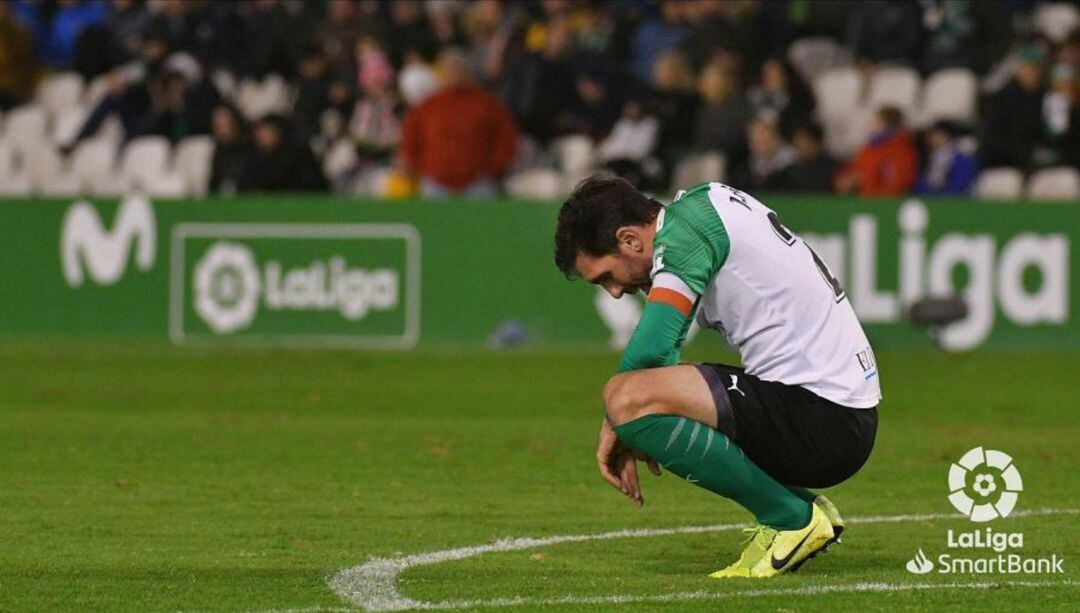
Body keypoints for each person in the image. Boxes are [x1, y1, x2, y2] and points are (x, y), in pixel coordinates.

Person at [553, 174, 880, 578]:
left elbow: (650, 349)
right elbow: (666, 351)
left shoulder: (684, 237)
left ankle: (791, 518)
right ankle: (801, 506)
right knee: (635, 396)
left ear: (631, 240)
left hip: (824, 420)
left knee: (624, 397)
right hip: (837, 410)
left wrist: (615, 420)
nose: (615, 292)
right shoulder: (701, 207)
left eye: (605, 276)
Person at [400, 48, 518, 198]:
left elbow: (506, 137)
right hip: (435, 181)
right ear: (441, 74)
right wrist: (418, 167)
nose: (453, 74)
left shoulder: (487, 104)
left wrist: (494, 167)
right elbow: (410, 140)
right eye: (448, 70)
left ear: (466, 72)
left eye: (457, 69)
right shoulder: (427, 107)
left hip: (478, 181)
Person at [978, 46, 1046, 169]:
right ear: (1018, 69)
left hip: (1036, 164)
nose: (1034, 72)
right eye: (1029, 67)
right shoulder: (1001, 99)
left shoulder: (1045, 97)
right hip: (1003, 163)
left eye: (1037, 68)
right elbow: (993, 140)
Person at [834, 106, 918, 196]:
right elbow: (855, 167)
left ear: (886, 124)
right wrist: (847, 179)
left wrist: (864, 182)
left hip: (881, 203)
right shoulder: (870, 146)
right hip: (863, 198)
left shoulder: (901, 150)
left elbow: (897, 184)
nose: (871, 125)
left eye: (876, 121)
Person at [915, 121, 978, 195]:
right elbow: (920, 183)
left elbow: (960, 184)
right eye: (931, 135)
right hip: (930, 196)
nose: (933, 139)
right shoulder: (928, 157)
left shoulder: (961, 159)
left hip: (952, 199)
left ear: (947, 136)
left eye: (937, 135)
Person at [777, 123, 838, 193]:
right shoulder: (788, 172)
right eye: (797, 144)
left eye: (806, 143)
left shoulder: (834, 170)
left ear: (818, 143)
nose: (801, 148)